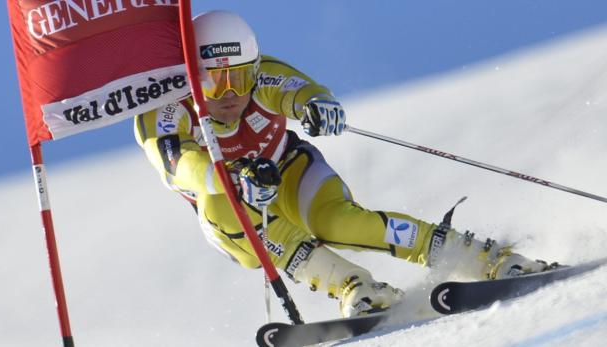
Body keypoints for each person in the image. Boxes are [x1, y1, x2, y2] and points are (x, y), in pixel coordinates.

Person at [134, 10, 551, 318]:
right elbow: (180, 164)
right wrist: (230, 177)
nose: (229, 92)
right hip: (231, 207)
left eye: (240, 78)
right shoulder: (166, 110)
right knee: (222, 206)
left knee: (336, 222)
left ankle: (483, 257)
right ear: (191, 76)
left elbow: (299, 91)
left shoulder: (263, 79)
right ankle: (356, 287)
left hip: (288, 168)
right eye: (213, 80)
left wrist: (317, 106)